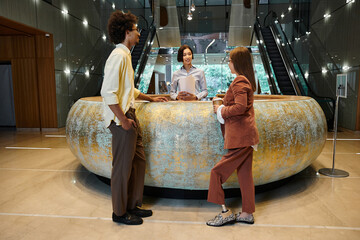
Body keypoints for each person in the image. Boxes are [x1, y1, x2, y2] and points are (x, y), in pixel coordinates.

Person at [100, 10, 167, 225]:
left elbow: (130, 90)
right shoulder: (118, 56)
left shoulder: (126, 56)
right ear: (127, 32)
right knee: (122, 167)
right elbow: (108, 92)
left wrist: (151, 99)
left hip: (130, 116)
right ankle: (119, 213)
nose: (139, 33)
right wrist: (123, 119)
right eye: (136, 30)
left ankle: (133, 205)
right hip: (122, 120)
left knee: (138, 162)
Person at [206, 47, 259, 227]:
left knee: (216, 172)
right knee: (245, 176)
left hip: (240, 138)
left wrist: (221, 109)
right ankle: (246, 213)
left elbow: (239, 107)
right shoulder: (245, 81)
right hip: (246, 137)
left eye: (230, 59)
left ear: (237, 62)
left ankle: (225, 213)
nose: (228, 62)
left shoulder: (239, 81)